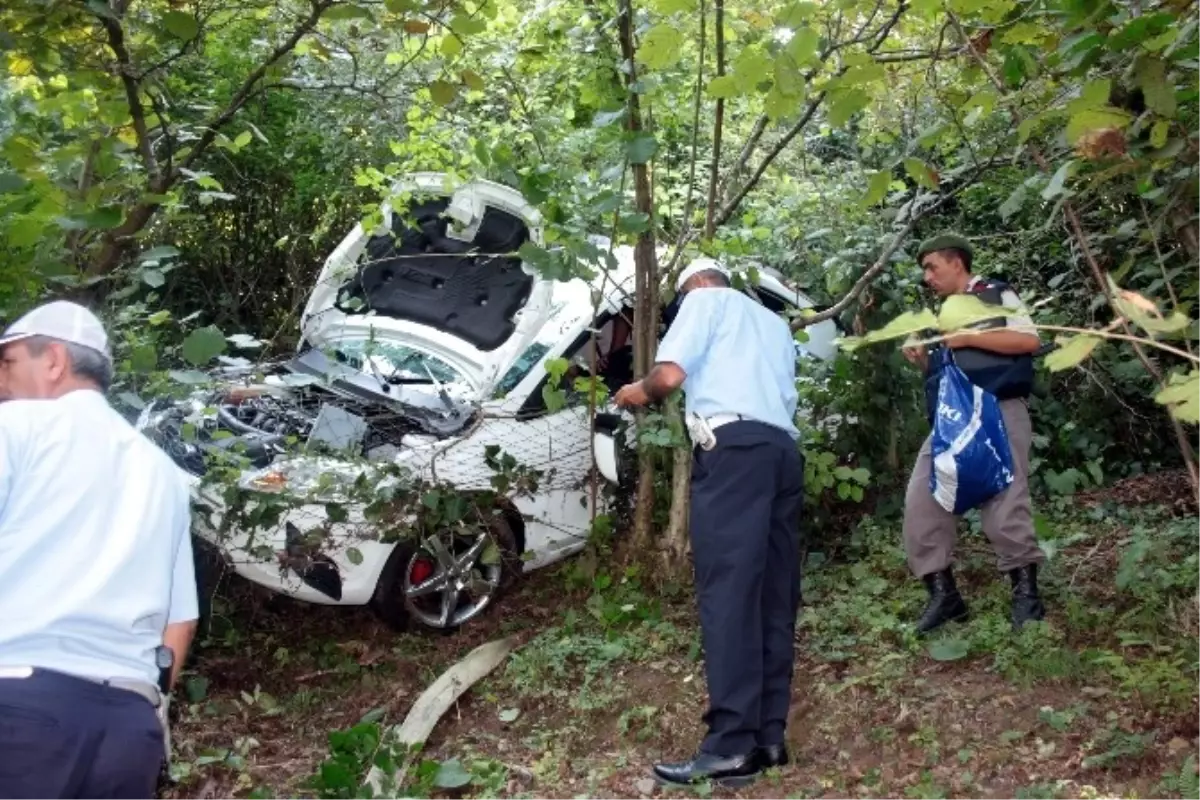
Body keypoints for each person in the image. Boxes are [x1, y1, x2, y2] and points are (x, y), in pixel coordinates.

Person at [614, 259, 804, 789]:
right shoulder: (773, 323)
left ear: (695, 285)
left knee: (729, 595)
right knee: (772, 593)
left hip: (734, 455)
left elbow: (669, 376)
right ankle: (768, 735)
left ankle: (729, 747)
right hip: (781, 452)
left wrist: (638, 392)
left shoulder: (704, 302)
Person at [0, 300, 199, 799]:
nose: (2, 382)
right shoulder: (165, 474)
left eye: (8, 363)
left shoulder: (16, 431)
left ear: (53, 362)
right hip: (128, 731)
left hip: (19, 707)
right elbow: (181, 623)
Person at [901, 233, 1046, 634]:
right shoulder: (942, 313)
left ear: (956, 262)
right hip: (953, 418)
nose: (927, 276)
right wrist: (923, 351)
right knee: (923, 497)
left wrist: (966, 337)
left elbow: (1030, 339)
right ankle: (944, 595)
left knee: (1005, 498)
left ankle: (1026, 597)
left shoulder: (994, 293)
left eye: (931, 266)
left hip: (998, 408)